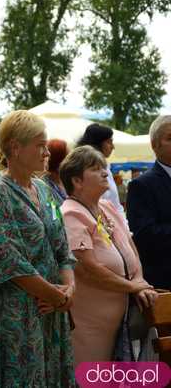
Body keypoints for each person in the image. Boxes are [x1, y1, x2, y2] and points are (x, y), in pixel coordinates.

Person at [0, 110, 76, 387]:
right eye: (40, 145)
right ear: (15, 148)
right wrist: (55, 295)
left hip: (52, 308)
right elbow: (9, 261)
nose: (46, 152)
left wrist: (68, 291)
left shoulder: (44, 190)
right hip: (19, 314)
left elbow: (63, 249)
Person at [59, 146, 157, 364]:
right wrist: (134, 287)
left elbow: (130, 245)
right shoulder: (70, 214)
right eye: (96, 169)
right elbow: (88, 268)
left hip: (121, 321)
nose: (105, 172)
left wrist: (138, 279)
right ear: (77, 181)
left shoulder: (106, 206)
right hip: (90, 326)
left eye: (104, 167)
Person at [127, 115, 171, 290]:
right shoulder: (141, 185)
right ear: (154, 145)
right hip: (163, 281)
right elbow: (144, 234)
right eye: (170, 138)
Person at [77, 123, 125, 219]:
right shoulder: (84, 170)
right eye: (109, 142)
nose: (112, 146)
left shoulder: (106, 167)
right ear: (97, 143)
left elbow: (115, 204)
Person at [42, 138, 68, 205]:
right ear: (59, 160)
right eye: (67, 157)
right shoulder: (43, 186)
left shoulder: (68, 180)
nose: (71, 161)